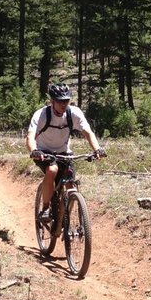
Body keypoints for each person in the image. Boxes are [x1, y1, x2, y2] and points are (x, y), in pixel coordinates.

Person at [26, 83, 105, 221]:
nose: (64, 104)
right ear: (52, 101)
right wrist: (34, 150)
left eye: (66, 101)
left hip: (64, 152)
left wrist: (97, 149)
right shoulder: (42, 115)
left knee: (71, 185)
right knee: (52, 170)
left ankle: (64, 218)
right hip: (44, 152)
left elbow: (88, 132)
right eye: (60, 101)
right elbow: (30, 137)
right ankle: (45, 208)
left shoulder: (73, 113)